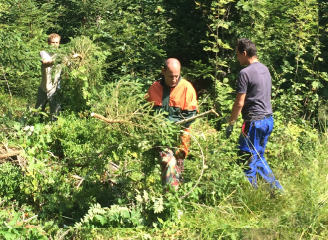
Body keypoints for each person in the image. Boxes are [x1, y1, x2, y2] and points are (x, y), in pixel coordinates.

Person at [226, 38, 282, 190]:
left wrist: (231, 124)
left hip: (254, 123)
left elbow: (239, 102)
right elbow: (267, 96)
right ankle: (276, 190)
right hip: (268, 120)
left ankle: (251, 194)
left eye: (238, 55)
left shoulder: (245, 73)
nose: (237, 58)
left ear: (245, 53)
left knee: (246, 158)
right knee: (258, 157)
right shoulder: (265, 69)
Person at [146, 58, 198, 191]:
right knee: (168, 162)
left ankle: (177, 200)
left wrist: (170, 123)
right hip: (161, 137)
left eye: (177, 76)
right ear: (163, 71)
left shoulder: (187, 88)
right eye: (171, 76)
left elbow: (191, 115)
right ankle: (168, 199)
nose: (174, 79)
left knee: (178, 170)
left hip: (181, 141)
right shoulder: (154, 88)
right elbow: (147, 113)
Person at [35, 33, 62, 121]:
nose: (55, 44)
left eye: (57, 42)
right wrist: (58, 61)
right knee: (37, 113)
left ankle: (53, 130)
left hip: (54, 88)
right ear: (48, 43)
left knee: (55, 114)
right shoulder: (44, 53)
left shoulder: (62, 54)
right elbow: (45, 63)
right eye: (53, 42)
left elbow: (70, 66)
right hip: (43, 87)